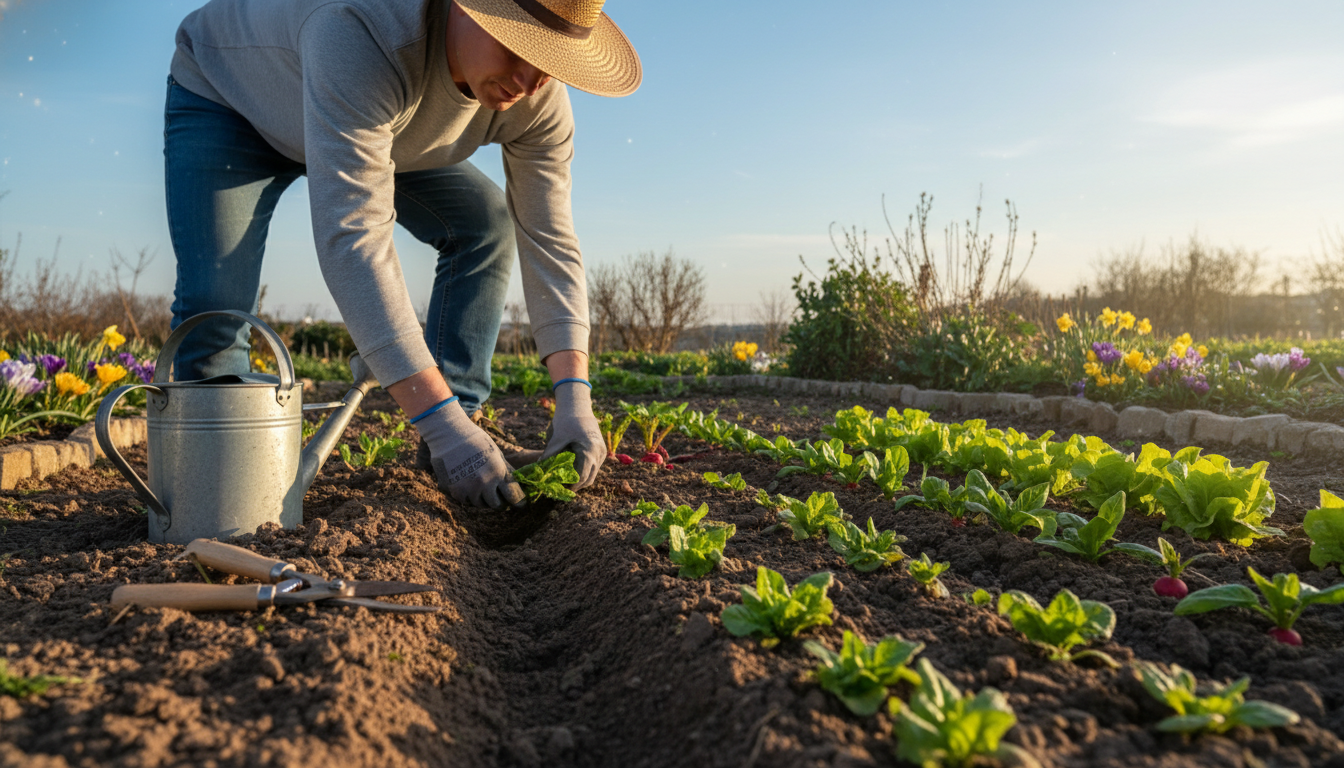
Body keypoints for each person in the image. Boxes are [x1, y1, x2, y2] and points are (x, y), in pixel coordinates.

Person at [163, 0, 640, 509]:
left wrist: (575, 395)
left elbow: (550, 237)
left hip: (379, 125)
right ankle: (213, 503)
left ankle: (459, 428)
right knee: (216, 308)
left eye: (548, 61)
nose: (528, 80)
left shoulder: (537, 100)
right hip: (233, 102)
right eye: (516, 47)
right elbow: (355, 238)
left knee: (483, 226)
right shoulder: (361, 30)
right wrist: (437, 421)